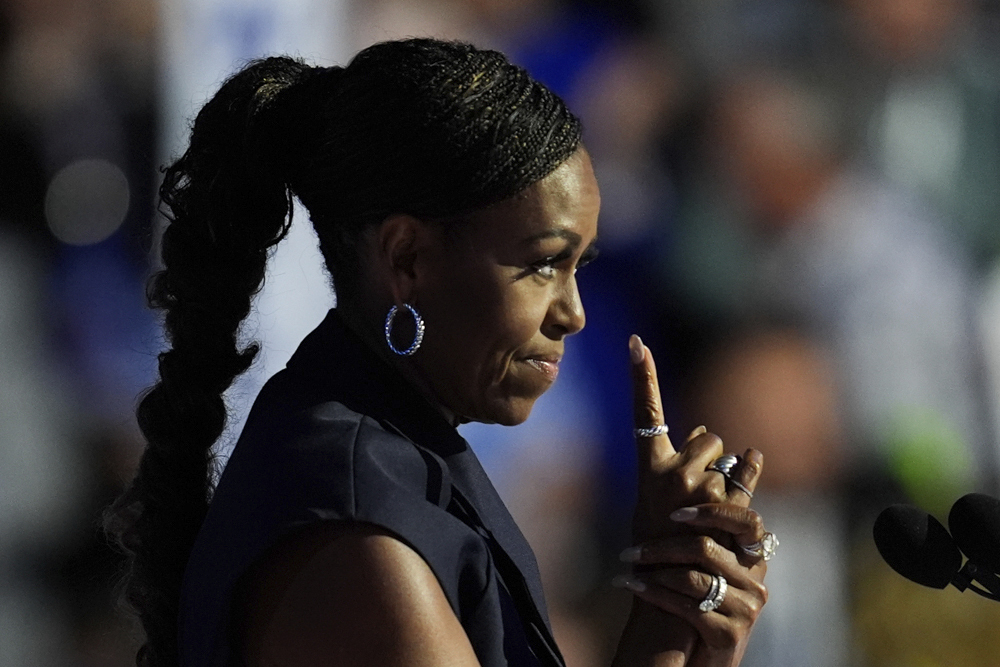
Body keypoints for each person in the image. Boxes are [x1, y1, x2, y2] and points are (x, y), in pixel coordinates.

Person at [105, 38, 772, 667]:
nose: (574, 313)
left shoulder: (391, 459)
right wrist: (663, 631)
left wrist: (681, 619)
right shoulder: (360, 533)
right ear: (409, 257)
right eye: (542, 264)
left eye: (578, 266)